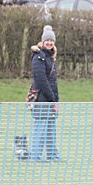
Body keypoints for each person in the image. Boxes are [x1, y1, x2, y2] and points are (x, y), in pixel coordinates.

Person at [28, 25, 61, 161]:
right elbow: (41, 80)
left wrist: (55, 100)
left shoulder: (50, 57)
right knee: (40, 128)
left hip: (51, 99)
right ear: (42, 41)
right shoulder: (38, 57)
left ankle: (52, 155)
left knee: (51, 128)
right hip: (42, 99)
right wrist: (52, 99)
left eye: (51, 40)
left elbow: (53, 82)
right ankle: (35, 156)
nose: (49, 42)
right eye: (47, 40)